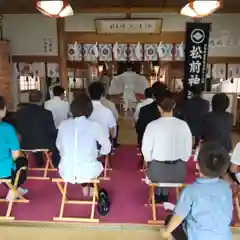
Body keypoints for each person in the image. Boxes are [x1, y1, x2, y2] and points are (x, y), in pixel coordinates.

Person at [161, 142, 232, 240]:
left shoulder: (190, 191)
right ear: (224, 168)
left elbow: (178, 217)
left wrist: (166, 232)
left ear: (197, 165)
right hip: (224, 237)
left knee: (170, 221)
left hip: (197, 236)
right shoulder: (226, 188)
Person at [56, 94, 111, 196]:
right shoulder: (94, 126)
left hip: (66, 171)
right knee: (92, 161)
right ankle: (91, 190)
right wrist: (99, 153)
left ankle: (86, 187)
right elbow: (107, 148)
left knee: (82, 158)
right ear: (90, 110)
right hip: (89, 171)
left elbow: (59, 145)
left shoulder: (63, 125)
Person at [142, 97, 192, 203]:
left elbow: (146, 150)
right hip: (178, 173)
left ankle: (158, 194)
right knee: (169, 168)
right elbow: (187, 152)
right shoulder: (183, 125)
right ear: (173, 108)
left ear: (159, 108)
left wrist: (149, 160)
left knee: (155, 166)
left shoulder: (152, 125)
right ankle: (164, 194)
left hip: (156, 172)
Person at [15, 90, 60, 167]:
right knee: (55, 140)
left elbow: (18, 129)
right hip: (43, 144)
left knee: (38, 136)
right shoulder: (46, 113)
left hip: (25, 144)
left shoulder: (20, 113)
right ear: (42, 100)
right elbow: (51, 131)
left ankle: (39, 162)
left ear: (29, 100)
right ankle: (56, 165)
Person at [0, 96, 28, 200]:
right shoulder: (7, 128)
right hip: (4, 172)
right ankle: (13, 189)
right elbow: (16, 156)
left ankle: (15, 188)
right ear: (2, 110)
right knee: (22, 161)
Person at [136, 81, 167, 147]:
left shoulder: (145, 110)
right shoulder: (173, 109)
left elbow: (140, 130)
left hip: (150, 145)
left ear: (153, 95)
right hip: (168, 147)